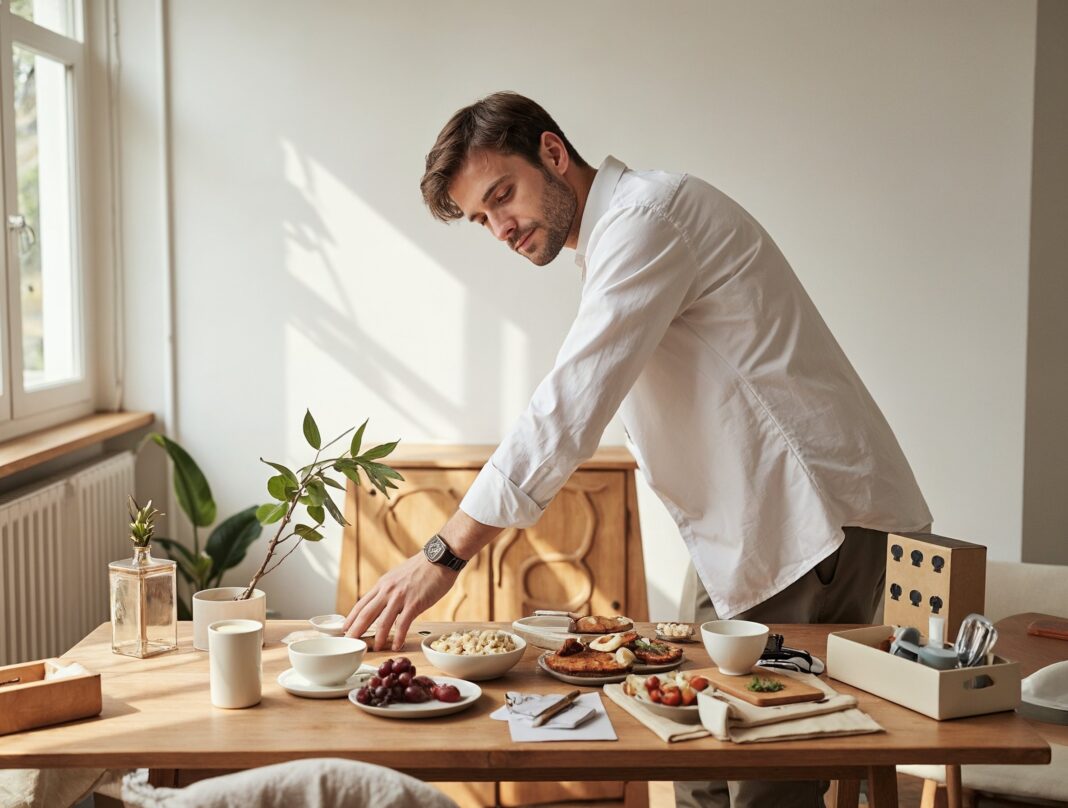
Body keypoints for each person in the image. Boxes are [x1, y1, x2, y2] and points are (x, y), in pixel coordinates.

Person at [343, 91, 931, 807]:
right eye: (481, 218)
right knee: (692, 762)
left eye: (504, 195)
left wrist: (444, 555)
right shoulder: (617, 237)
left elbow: (568, 404)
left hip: (810, 525)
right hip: (747, 537)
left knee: (764, 784)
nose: (500, 227)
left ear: (553, 154)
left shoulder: (651, 218)